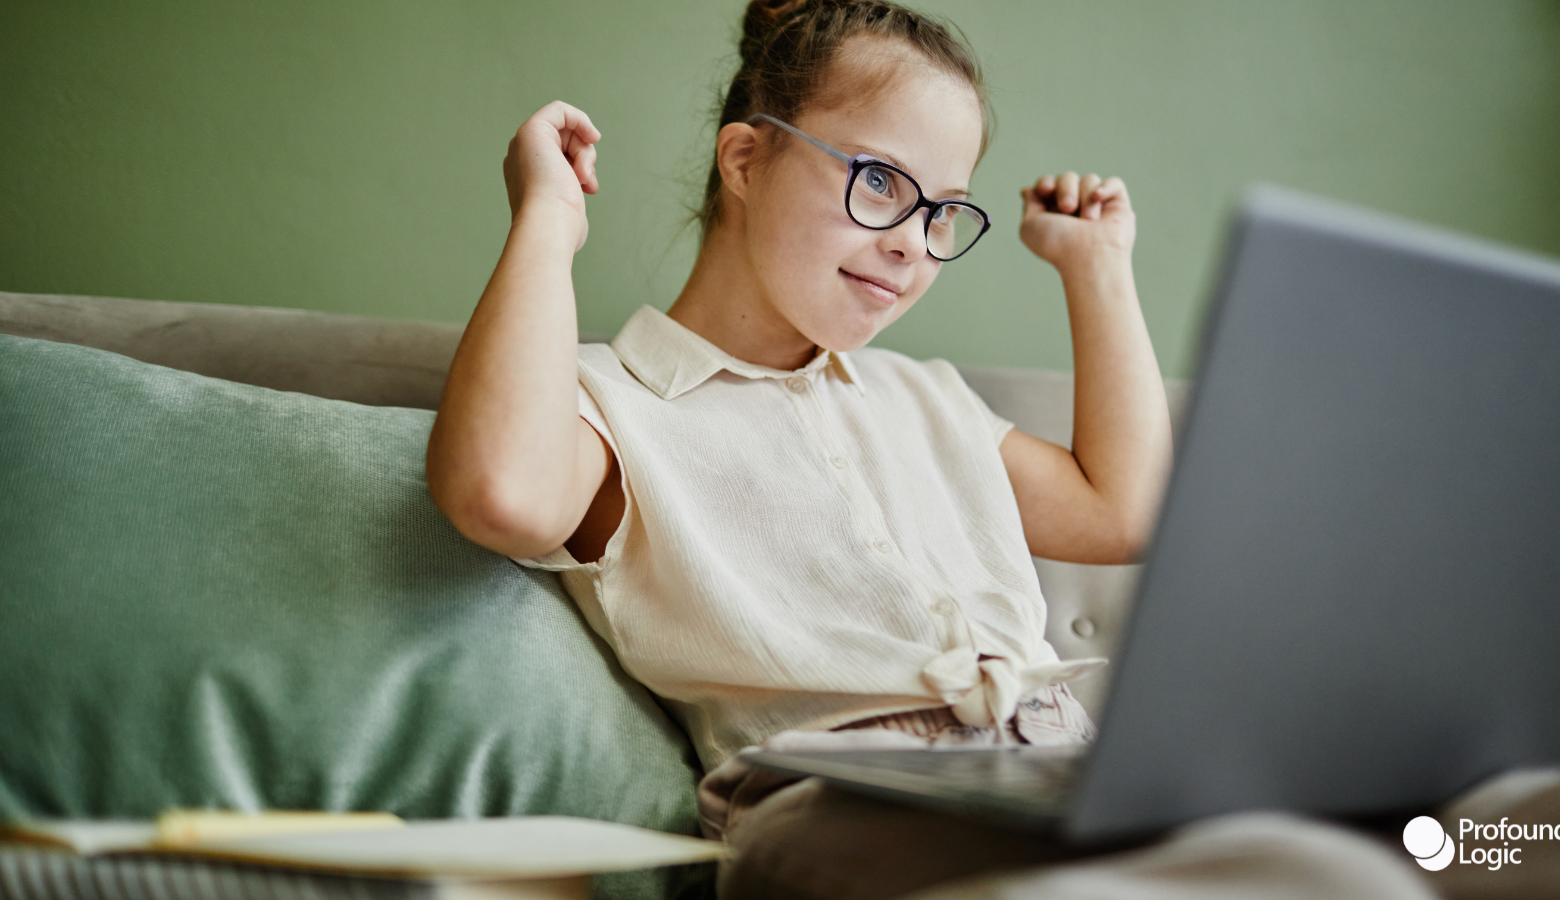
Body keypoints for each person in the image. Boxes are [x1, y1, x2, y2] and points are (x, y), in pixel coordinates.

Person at [425, 0, 1170, 864]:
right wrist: (548, 222)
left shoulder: (924, 398)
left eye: (941, 212)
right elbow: (500, 493)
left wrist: (1098, 267)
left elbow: (1126, 513)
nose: (912, 247)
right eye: (881, 181)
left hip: (1061, 772)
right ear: (745, 159)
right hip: (845, 807)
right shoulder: (612, 405)